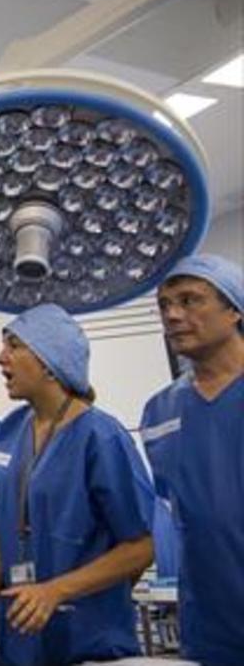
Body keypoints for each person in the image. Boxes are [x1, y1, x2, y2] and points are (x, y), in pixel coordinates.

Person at [0, 304, 154, 666]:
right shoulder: (10, 432)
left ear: (48, 362)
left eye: (13, 346)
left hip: (88, 638)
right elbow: (7, 529)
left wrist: (58, 591)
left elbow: (142, 546)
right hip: (20, 632)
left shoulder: (101, 437)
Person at [139, 254, 243, 665]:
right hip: (210, 624)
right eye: (164, 306)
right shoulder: (160, 412)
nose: (173, 315)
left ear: (234, 309)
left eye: (189, 300)